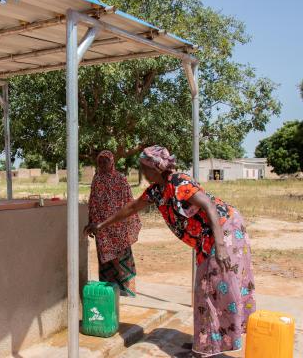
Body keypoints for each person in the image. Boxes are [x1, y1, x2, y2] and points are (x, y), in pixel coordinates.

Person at [84, 146, 255, 357]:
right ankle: (204, 344)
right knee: (205, 290)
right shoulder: (156, 190)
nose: (142, 173)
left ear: (155, 168)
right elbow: (130, 208)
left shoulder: (179, 183)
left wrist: (220, 246)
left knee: (211, 288)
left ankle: (207, 349)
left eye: (144, 168)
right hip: (207, 238)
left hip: (224, 230)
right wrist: (101, 225)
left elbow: (209, 205)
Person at [87, 150, 141, 297]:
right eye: (100, 161)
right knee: (106, 257)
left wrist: (127, 221)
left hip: (119, 225)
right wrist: (92, 221)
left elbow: (129, 201)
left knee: (122, 255)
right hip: (102, 226)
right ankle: (110, 289)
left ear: (112, 162)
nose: (103, 164)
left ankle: (128, 288)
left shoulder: (120, 179)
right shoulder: (96, 179)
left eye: (106, 161)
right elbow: (92, 201)